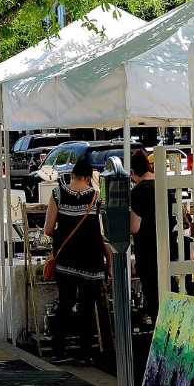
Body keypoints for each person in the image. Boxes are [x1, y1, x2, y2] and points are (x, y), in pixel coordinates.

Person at [42, 153, 109, 362]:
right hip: (91, 260)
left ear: (72, 174)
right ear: (89, 177)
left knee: (65, 304)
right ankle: (85, 352)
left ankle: (59, 351)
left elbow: (48, 229)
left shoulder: (57, 194)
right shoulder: (95, 197)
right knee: (87, 307)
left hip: (67, 260)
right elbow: (101, 232)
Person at [128, 148, 158, 327]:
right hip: (168, 247)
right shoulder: (165, 185)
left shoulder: (138, 191)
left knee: (153, 296)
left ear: (133, 172)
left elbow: (134, 227)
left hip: (147, 250)